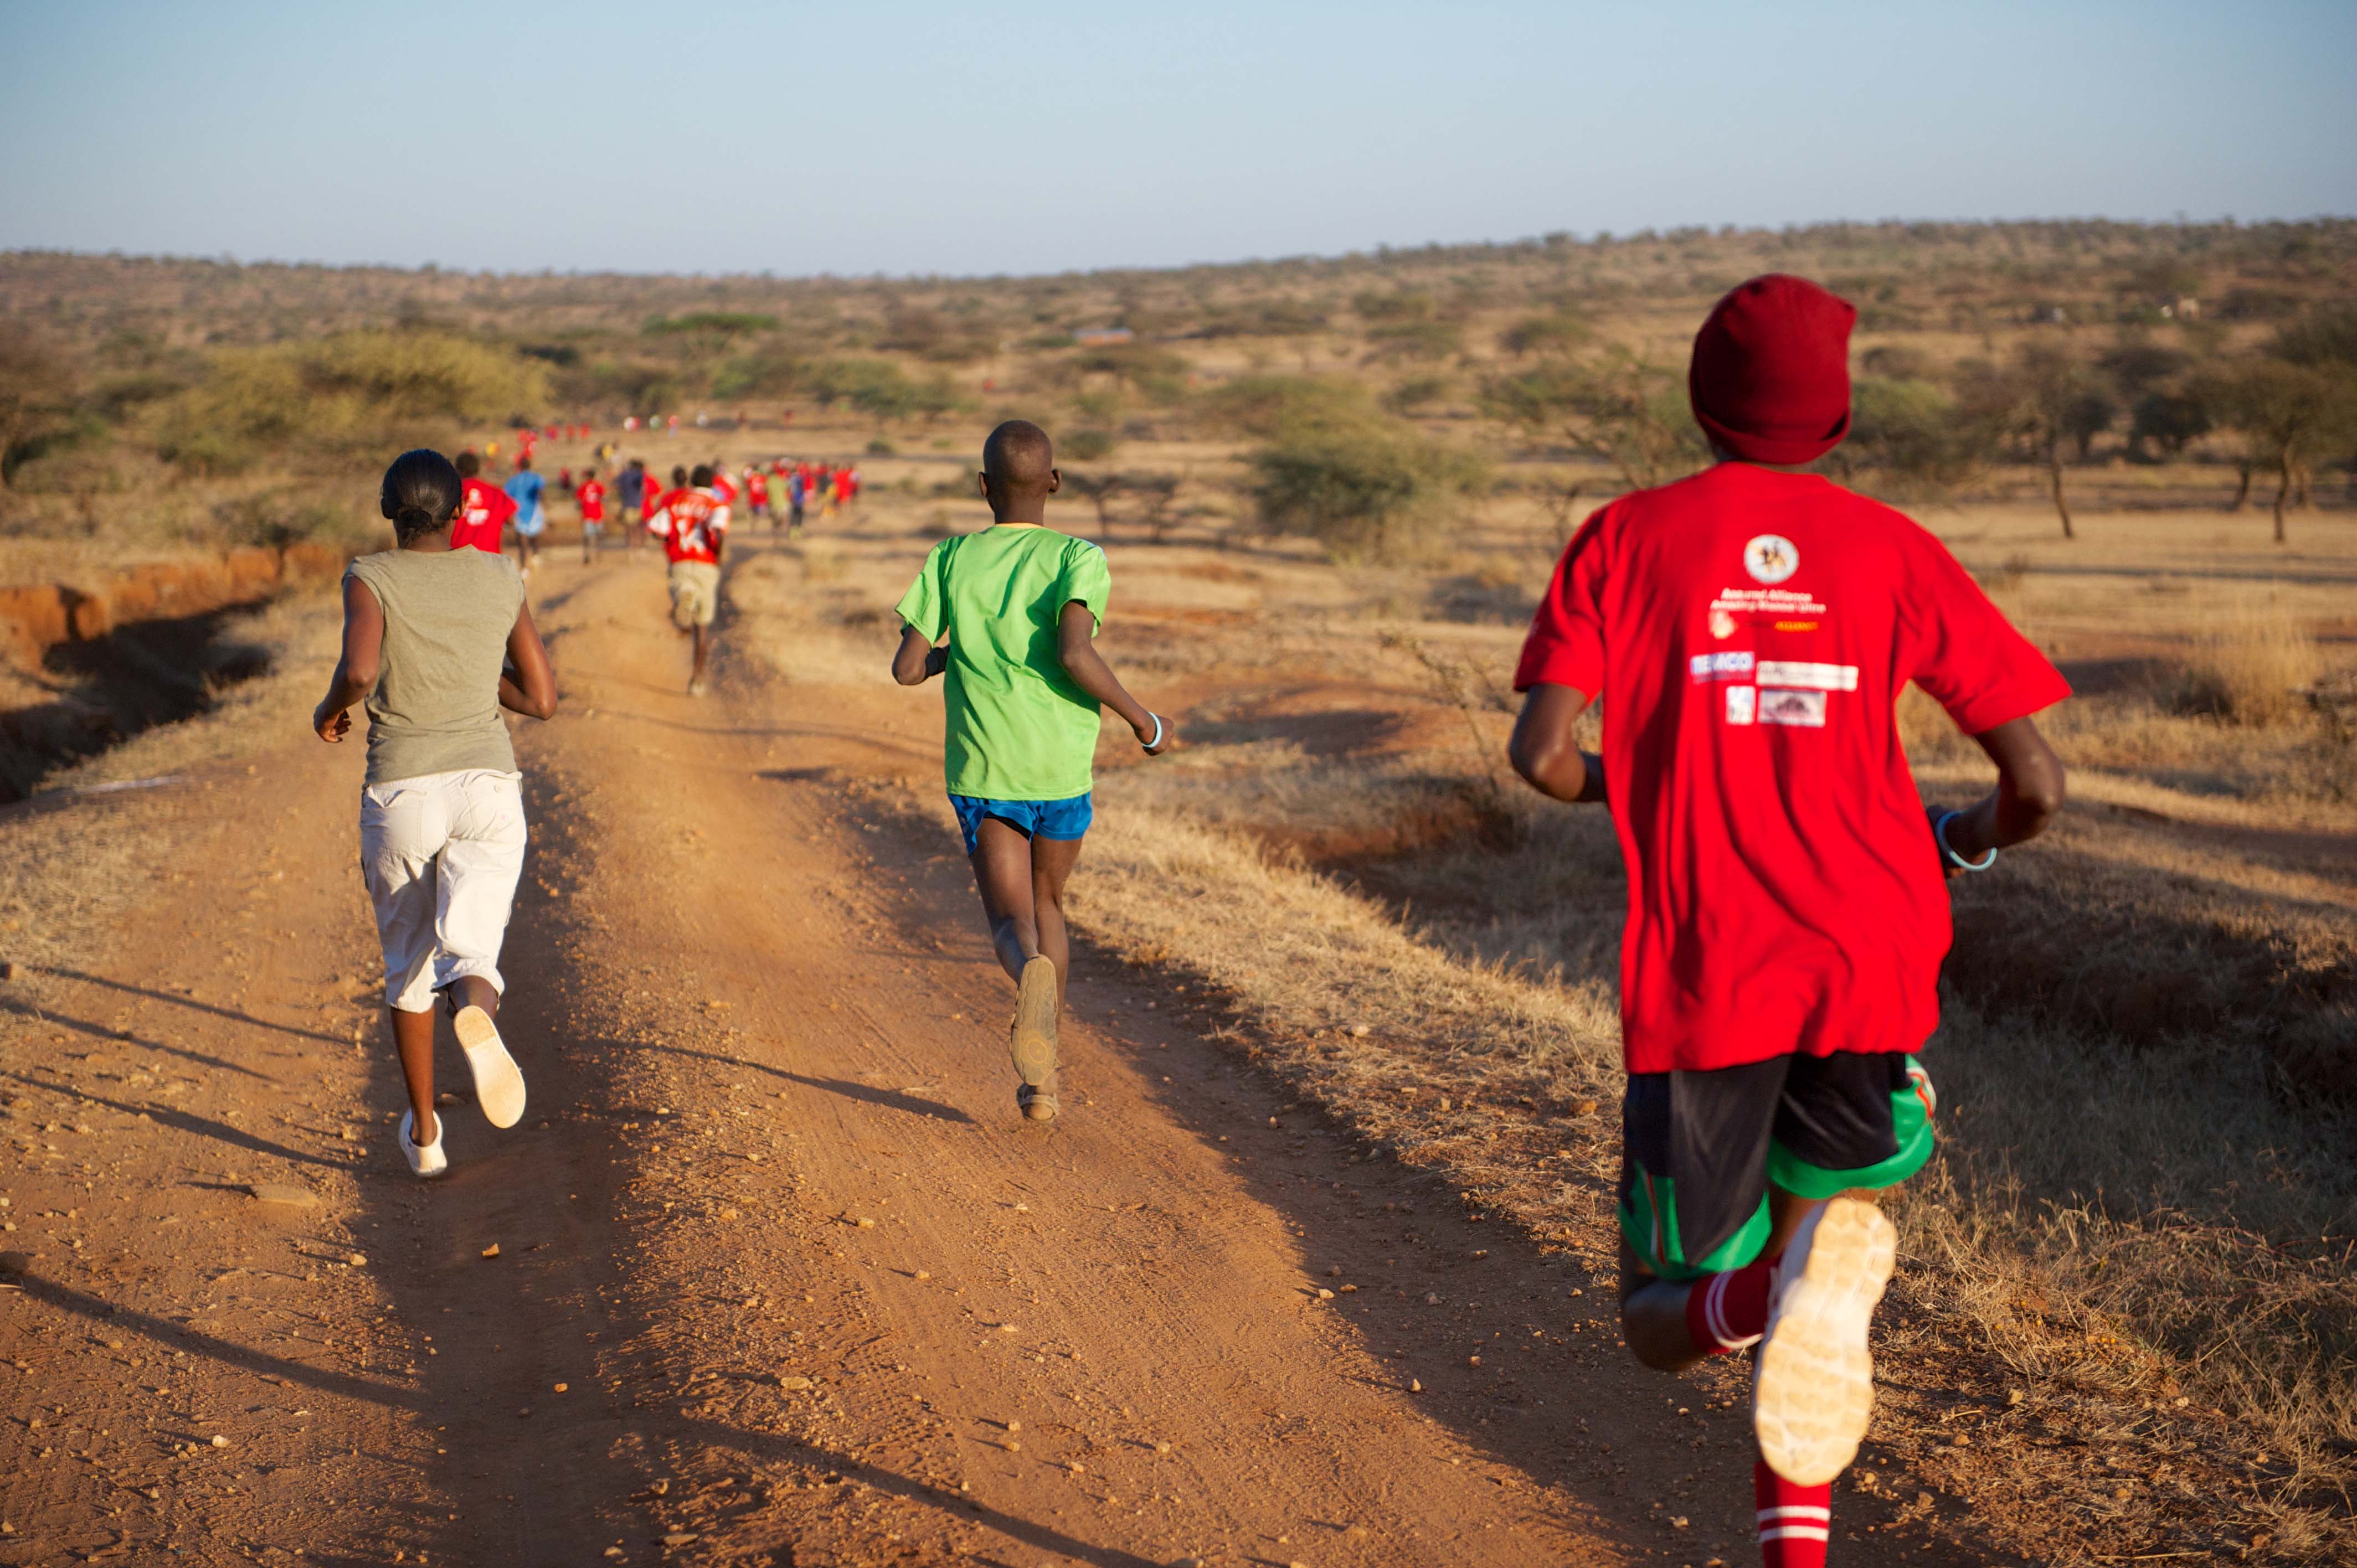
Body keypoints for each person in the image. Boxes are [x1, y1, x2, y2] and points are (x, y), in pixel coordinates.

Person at [1505, 275, 2069, 1568]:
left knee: (1660, 1315)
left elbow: (1540, 757)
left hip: (1711, 973)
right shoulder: (1893, 548)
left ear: (1701, 401)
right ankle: (1801, 1310)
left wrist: (1651, 782)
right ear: (1839, 415)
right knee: (1823, 1291)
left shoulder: (1625, 537)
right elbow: (2036, 786)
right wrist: (1958, 838)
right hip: (1870, 956)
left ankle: (1761, 1291)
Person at [891, 421, 1171, 1123]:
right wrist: (1144, 722)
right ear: (1054, 482)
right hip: (1060, 766)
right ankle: (1043, 1079)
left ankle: (1028, 980)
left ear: (983, 487)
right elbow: (1076, 655)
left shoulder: (951, 557)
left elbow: (906, 670)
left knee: (1010, 923)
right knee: (1049, 905)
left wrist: (955, 653)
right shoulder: (1079, 556)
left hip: (986, 769)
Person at [312, 449, 558, 1179]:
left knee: (409, 965)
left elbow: (360, 670)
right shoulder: (500, 575)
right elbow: (542, 699)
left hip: (404, 792)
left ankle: (424, 1134)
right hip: (487, 788)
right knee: (471, 952)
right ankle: (473, 1007)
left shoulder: (371, 575)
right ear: (461, 510)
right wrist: (477, 677)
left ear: (389, 511)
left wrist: (329, 708)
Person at [646, 462, 729, 695]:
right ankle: (697, 680)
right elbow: (718, 530)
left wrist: (669, 542)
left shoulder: (675, 501)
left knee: (681, 597)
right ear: (712, 483)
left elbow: (657, 530)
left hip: (680, 560)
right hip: (706, 563)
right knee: (702, 626)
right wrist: (718, 555)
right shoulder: (716, 504)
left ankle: (685, 594)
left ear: (691, 482)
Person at [451, 450, 516, 555]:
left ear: (457, 470)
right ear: (478, 470)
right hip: (488, 557)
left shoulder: (450, 492)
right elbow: (511, 520)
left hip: (457, 555)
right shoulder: (497, 494)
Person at [504, 457, 547, 576]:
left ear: (519, 466)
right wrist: (543, 500)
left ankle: (523, 568)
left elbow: (506, 495)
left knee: (522, 542)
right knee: (534, 537)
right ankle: (536, 555)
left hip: (519, 514)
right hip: (534, 512)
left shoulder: (513, 480)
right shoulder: (536, 478)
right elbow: (541, 491)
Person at [577, 466, 606, 564]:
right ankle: (598, 554)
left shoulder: (583, 487)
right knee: (598, 536)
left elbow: (578, 502)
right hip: (598, 514)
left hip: (587, 515)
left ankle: (587, 554)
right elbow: (604, 499)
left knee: (588, 536)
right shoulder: (599, 486)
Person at [745, 464, 773, 528]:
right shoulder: (764, 478)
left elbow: (747, 485)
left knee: (755, 516)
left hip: (754, 500)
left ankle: (754, 527)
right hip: (762, 500)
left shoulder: (751, 479)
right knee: (762, 517)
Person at [785, 463, 807, 535]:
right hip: (799, 499)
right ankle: (798, 530)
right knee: (799, 515)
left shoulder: (789, 479)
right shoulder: (800, 478)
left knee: (792, 515)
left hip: (792, 499)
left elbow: (787, 489)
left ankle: (793, 532)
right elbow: (803, 489)